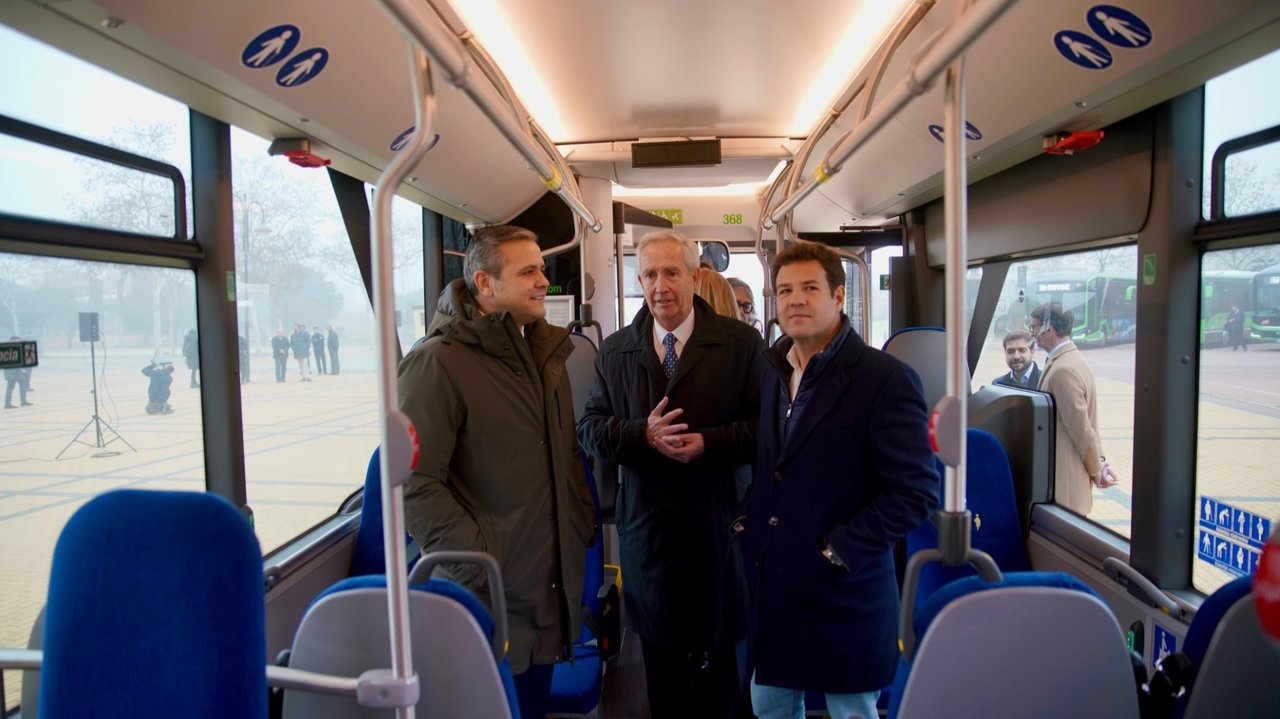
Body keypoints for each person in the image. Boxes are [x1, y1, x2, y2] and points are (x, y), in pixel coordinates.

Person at [398, 225, 596, 719]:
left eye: (543, 270)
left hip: (546, 588)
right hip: (486, 592)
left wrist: (579, 523)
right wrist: (478, 559)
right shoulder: (435, 364)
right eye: (528, 271)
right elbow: (413, 483)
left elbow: (566, 456)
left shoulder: (543, 355)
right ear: (485, 284)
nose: (542, 282)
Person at [739, 241, 940, 719]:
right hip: (777, 586)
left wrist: (840, 548)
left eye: (810, 287)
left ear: (838, 296)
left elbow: (917, 491)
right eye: (784, 290)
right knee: (768, 706)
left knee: (852, 711)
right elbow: (774, 465)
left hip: (842, 588)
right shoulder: (773, 370)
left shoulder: (884, 379)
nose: (795, 300)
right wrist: (745, 525)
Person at [578, 230, 764, 718]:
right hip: (651, 537)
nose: (659, 285)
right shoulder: (616, 351)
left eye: (671, 272)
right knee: (663, 682)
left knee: (725, 682)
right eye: (649, 274)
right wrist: (642, 436)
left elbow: (767, 431)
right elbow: (590, 431)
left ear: (695, 277)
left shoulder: (741, 344)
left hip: (719, 530)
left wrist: (710, 443)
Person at [1031, 302, 1118, 516]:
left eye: (1034, 327)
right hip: (1068, 486)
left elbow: (1081, 429)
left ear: (1048, 329)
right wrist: (1101, 461)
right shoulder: (1070, 360)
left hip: (1065, 487)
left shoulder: (1063, 370)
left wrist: (1097, 470)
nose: (1032, 332)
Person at [4, 336, 33, 409]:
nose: (18, 342)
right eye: (17, 341)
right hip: (11, 372)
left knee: (23, 385)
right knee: (10, 388)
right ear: (12, 341)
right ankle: (7, 404)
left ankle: (23, 401)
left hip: (18, 372)